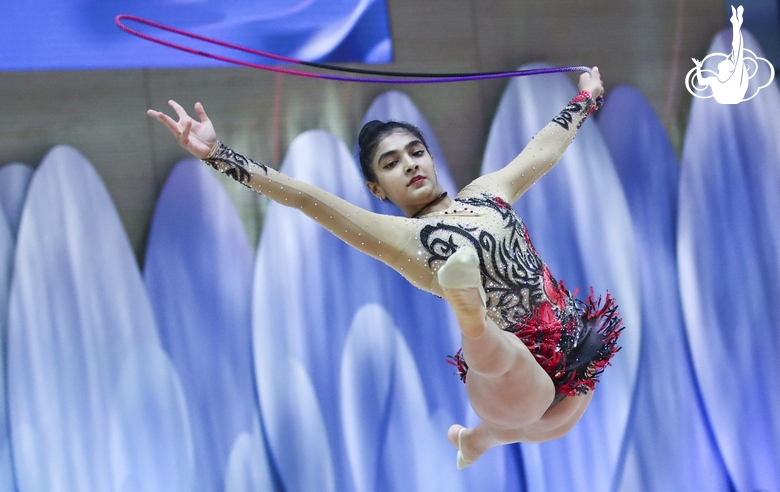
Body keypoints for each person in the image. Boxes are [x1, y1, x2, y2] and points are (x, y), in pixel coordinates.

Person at [147, 66, 621, 468]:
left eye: (416, 152)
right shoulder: (402, 239)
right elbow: (308, 199)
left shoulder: (488, 192)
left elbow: (544, 148)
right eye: (391, 164)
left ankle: (475, 439)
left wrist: (586, 95)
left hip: (571, 345)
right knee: (528, 392)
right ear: (378, 190)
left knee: (546, 427)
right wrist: (218, 154)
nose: (411, 165)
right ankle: (470, 316)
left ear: (431, 158)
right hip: (507, 372)